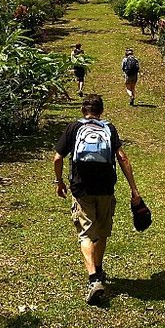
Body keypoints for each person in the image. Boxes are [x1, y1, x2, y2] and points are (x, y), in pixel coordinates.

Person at [54, 94, 141, 305]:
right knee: (101, 231)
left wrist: (59, 182)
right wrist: (134, 189)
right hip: (106, 188)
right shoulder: (109, 128)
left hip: (81, 189)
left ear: (83, 110)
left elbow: (57, 157)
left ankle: (93, 279)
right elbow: (122, 157)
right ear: (101, 111)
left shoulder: (74, 128)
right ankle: (99, 270)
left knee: (86, 234)